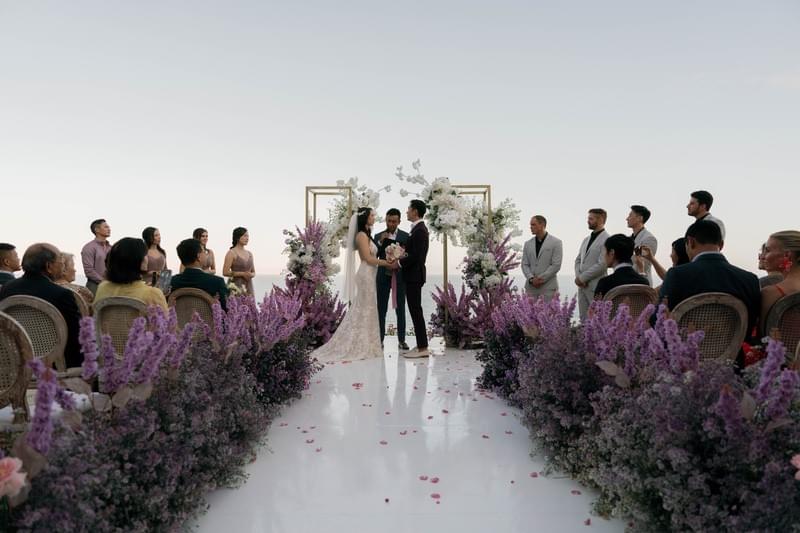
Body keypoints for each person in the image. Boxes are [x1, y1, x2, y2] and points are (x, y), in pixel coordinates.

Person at [311, 207, 396, 362]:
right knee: (364, 308)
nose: (374, 217)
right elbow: (367, 259)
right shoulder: (361, 236)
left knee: (367, 308)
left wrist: (383, 246)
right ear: (365, 218)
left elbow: (372, 255)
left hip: (371, 274)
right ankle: (358, 344)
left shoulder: (367, 236)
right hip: (365, 275)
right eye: (372, 215)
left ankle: (368, 343)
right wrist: (387, 263)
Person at [658, 220, 759, 337]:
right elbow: (748, 326)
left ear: (690, 242)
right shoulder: (750, 280)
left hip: (683, 352)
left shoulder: (677, 275)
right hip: (733, 354)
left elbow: (659, 320)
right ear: (721, 244)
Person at [0, 243, 83, 367]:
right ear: (49, 266)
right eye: (61, 262)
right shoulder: (62, 294)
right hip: (54, 366)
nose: (63, 267)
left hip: (17, 365)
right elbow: (77, 336)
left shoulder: (7, 289)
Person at [94, 237, 168, 311]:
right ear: (140, 260)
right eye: (145, 254)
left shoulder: (102, 288)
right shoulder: (152, 294)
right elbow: (166, 321)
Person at [397, 200, 430, 358]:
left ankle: (423, 348)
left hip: (414, 275)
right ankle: (421, 345)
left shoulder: (420, 230)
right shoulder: (417, 229)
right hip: (413, 275)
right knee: (415, 310)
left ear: (415, 212)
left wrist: (399, 261)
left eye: (409, 209)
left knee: (416, 310)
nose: (407, 212)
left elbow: (416, 256)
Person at [374, 208, 409, 350]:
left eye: (394, 221)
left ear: (399, 221)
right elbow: (373, 256)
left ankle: (402, 340)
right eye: (389, 221)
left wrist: (401, 256)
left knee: (400, 309)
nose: (391, 223)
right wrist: (380, 243)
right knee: (381, 309)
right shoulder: (377, 236)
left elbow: (408, 257)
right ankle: (380, 340)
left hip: (400, 278)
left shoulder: (406, 236)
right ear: (386, 220)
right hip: (382, 277)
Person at [170, 238, 229, 311]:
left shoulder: (171, 282)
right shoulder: (217, 282)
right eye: (204, 252)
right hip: (209, 322)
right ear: (198, 256)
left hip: (179, 322)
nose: (205, 254)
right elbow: (228, 311)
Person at [759, 230, 800, 331]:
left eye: (768, 251)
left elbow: (764, 336)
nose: (763, 256)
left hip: (780, 346)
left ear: (787, 256)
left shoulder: (771, 293)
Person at [574, 208, 610, 320]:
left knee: (598, 320)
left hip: (596, 286)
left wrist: (583, 278)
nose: (588, 221)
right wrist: (578, 277)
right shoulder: (586, 239)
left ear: (600, 220)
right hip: (582, 287)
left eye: (591, 218)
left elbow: (603, 264)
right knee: (583, 320)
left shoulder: (607, 239)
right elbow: (578, 260)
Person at [521, 215, 563, 301]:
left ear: (542, 225)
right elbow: (524, 264)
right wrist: (531, 279)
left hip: (548, 288)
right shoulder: (527, 244)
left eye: (533, 224)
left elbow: (556, 265)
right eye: (530, 225)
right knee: (528, 314)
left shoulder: (556, 242)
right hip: (530, 288)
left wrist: (540, 279)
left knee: (549, 314)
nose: (530, 227)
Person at [594, 234, 649, 298]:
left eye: (605, 252)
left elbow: (595, 307)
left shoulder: (605, 283)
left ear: (612, 253)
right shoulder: (644, 283)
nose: (604, 256)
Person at [626, 205, 658, 285]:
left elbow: (643, 264)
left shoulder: (649, 238)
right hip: (626, 283)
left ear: (640, 218)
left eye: (630, 215)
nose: (627, 218)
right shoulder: (628, 239)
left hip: (641, 283)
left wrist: (623, 274)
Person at [81, 218, 111, 295]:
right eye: (106, 227)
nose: (109, 229)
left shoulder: (111, 248)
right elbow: (89, 271)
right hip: (95, 287)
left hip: (111, 286)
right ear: (97, 230)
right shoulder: (89, 247)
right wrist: (104, 282)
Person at [223, 227, 255, 297]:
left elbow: (253, 272)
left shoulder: (250, 254)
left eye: (248, 236)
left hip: (248, 287)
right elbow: (225, 272)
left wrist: (250, 275)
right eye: (244, 236)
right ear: (237, 237)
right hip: (235, 287)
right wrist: (242, 274)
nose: (247, 238)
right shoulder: (231, 253)